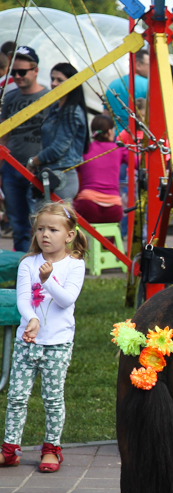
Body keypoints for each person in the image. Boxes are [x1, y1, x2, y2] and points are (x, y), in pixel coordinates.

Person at [0, 202, 86, 472]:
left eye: (52, 229)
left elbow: (66, 300)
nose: (45, 235)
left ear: (69, 235)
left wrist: (48, 280)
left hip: (57, 343)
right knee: (16, 397)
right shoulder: (28, 263)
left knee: (52, 398)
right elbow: (24, 300)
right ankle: (10, 448)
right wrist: (32, 319)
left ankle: (51, 449)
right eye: (40, 229)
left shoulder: (75, 265)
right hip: (28, 342)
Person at [0, 46, 48, 252]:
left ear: (35, 70)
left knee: (37, 222)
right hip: (11, 169)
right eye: (14, 73)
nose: (17, 77)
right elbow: (4, 134)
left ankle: (40, 266)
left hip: (36, 168)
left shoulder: (49, 97)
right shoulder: (9, 98)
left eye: (22, 72)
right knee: (17, 224)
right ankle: (21, 268)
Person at [29, 63, 88, 210]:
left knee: (52, 226)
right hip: (51, 174)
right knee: (42, 224)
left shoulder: (71, 111)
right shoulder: (57, 107)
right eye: (52, 79)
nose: (54, 84)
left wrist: (33, 161)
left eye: (60, 80)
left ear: (72, 82)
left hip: (62, 177)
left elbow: (57, 148)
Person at [73, 116, 127, 228]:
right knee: (109, 238)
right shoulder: (118, 149)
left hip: (87, 205)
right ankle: (108, 245)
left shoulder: (85, 149)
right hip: (113, 208)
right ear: (109, 132)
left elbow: (74, 172)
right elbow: (138, 163)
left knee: (83, 233)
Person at [105, 48, 148, 134]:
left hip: (117, 137)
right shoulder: (148, 85)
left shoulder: (112, 85)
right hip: (141, 139)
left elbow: (106, 115)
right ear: (138, 65)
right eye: (149, 65)